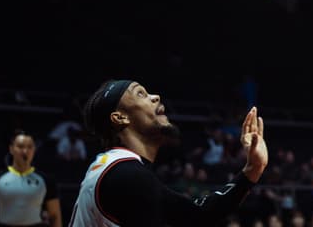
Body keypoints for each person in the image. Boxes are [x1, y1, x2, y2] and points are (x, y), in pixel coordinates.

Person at [68, 79, 268, 226]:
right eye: (140, 94)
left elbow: (198, 213)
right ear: (120, 118)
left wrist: (253, 167)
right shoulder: (127, 176)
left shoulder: (116, 167)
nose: (155, 97)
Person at [0, 130, 63, 227]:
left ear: (34, 150)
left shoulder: (46, 181)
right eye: (20, 147)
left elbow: (55, 216)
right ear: (11, 149)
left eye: (29, 147)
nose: (25, 151)